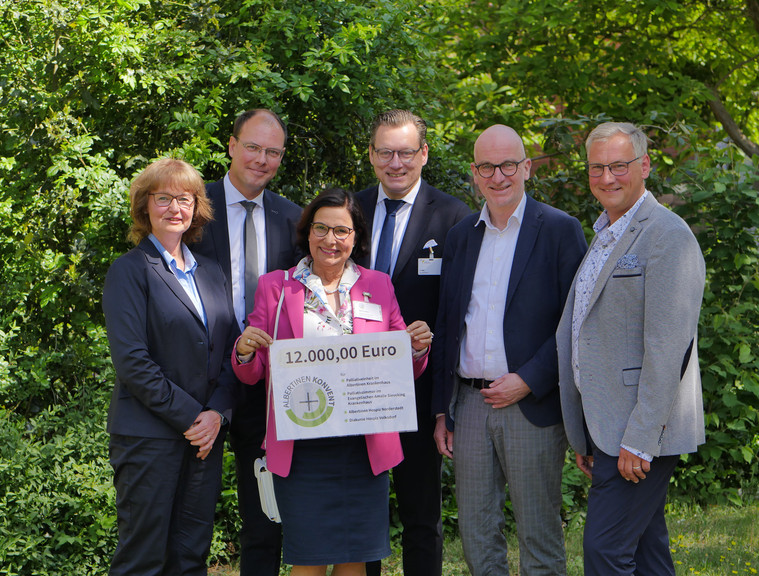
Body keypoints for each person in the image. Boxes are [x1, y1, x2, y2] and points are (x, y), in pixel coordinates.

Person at [232, 188, 432, 576]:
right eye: (321, 228)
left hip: (364, 447)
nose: (330, 239)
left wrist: (416, 348)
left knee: (355, 559)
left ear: (356, 237)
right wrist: (244, 350)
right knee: (307, 560)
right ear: (307, 232)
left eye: (341, 230)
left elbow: (401, 367)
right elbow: (254, 370)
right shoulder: (277, 286)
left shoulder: (379, 285)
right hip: (303, 448)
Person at [432, 125, 588, 576]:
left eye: (507, 165)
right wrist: (444, 409)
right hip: (469, 404)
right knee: (477, 534)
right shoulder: (461, 236)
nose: (498, 176)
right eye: (486, 167)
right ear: (475, 174)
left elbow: (576, 322)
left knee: (538, 534)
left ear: (526, 168)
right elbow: (447, 323)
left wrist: (529, 379)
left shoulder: (560, 230)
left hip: (530, 403)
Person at [556, 121, 706, 575]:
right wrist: (585, 430)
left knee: (605, 553)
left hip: (640, 432)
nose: (606, 178)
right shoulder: (606, 231)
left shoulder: (667, 234)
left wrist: (639, 440)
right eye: (597, 168)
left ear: (644, 166)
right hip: (606, 425)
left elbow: (667, 347)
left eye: (618, 166)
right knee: (645, 553)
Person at [103, 158, 239, 575]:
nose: (175, 208)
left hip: (203, 441)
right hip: (148, 439)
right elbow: (133, 361)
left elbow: (232, 352)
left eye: (185, 199)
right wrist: (193, 417)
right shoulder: (129, 271)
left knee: (190, 557)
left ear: (197, 207)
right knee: (143, 559)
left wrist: (217, 414)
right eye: (164, 199)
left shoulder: (211, 272)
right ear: (145, 206)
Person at [355, 109, 472, 576]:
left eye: (406, 152)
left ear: (424, 154)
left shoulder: (454, 217)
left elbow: (458, 310)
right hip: (356, 391)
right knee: (364, 513)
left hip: (420, 394)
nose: (396, 162)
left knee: (422, 516)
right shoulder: (350, 211)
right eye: (385, 152)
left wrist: (445, 400)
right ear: (371, 155)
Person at [194, 108, 303, 576]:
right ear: (232, 145)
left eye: (272, 151)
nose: (261, 159)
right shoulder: (193, 208)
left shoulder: (295, 219)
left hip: (265, 386)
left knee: (265, 517)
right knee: (189, 515)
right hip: (199, 382)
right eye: (253, 147)